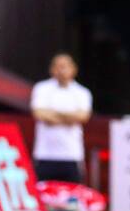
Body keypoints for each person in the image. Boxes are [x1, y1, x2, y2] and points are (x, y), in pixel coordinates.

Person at [30, 53, 92, 184]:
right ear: (51, 69)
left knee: (72, 199)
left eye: (65, 66)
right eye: (57, 67)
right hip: (45, 154)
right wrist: (69, 117)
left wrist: (54, 115)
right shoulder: (41, 88)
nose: (61, 70)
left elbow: (83, 116)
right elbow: (39, 113)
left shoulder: (82, 92)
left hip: (71, 154)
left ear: (73, 69)